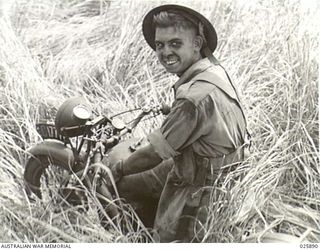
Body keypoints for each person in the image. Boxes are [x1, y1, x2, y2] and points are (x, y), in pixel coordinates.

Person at [110, 4, 249, 242]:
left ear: (196, 43)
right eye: (160, 45)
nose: (165, 52)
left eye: (175, 43)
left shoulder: (193, 98)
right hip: (222, 170)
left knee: (163, 233)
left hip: (200, 186)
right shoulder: (213, 70)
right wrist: (170, 109)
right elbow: (205, 114)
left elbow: (154, 153)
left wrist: (119, 169)